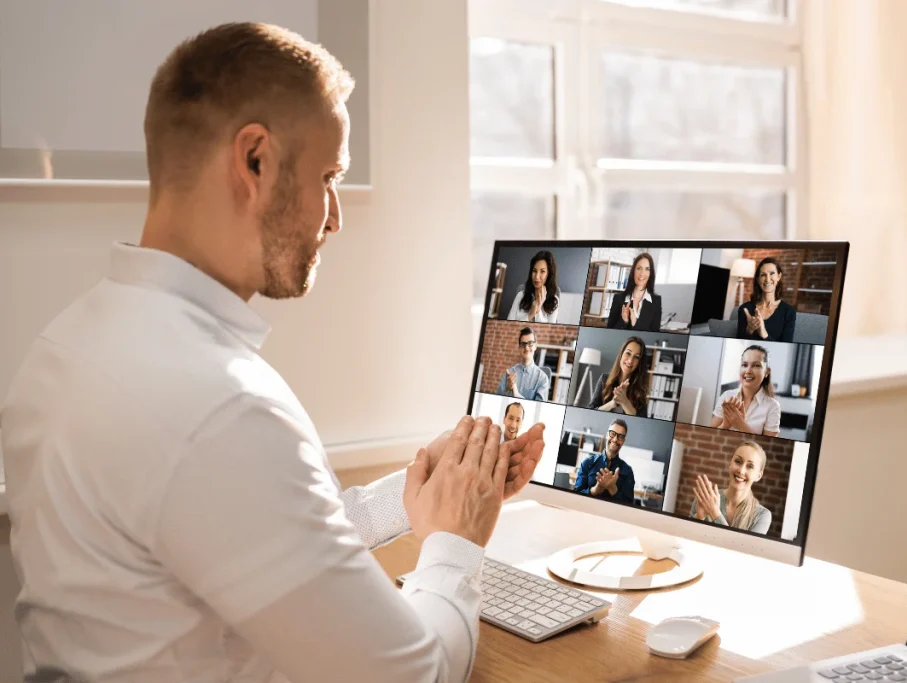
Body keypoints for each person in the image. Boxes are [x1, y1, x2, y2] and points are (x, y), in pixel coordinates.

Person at [0, 23, 547, 683]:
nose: (335, 216)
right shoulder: (217, 404)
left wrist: (416, 496)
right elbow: (418, 674)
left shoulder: (69, 343)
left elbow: (252, 523)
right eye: (328, 175)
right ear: (255, 159)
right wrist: (457, 538)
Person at [689, 442, 772, 535]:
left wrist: (715, 513)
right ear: (730, 464)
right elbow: (686, 539)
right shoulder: (706, 498)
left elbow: (742, 548)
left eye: (750, 466)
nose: (741, 470)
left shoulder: (762, 516)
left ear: (758, 476)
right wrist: (699, 517)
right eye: (738, 461)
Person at [710, 345, 781, 437]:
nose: (748, 370)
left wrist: (740, 424)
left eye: (756, 365)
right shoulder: (727, 396)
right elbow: (710, 434)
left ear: (767, 372)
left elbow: (767, 446)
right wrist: (725, 425)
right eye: (744, 365)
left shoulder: (773, 406)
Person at [572, 419, 635, 506]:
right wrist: (595, 490)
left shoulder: (628, 471)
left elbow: (629, 506)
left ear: (623, 441)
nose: (615, 439)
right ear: (607, 435)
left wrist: (613, 489)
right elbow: (575, 496)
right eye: (613, 434)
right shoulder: (587, 463)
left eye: (620, 437)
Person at [737, 257, 796, 342]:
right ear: (757, 279)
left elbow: (785, 349)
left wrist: (764, 334)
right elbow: (737, 344)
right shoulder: (745, 309)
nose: (767, 279)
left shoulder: (789, 312)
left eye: (772, 273)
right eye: (763, 275)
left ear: (779, 276)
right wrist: (749, 330)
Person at [587, 336, 650, 417]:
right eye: (628, 353)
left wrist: (625, 402)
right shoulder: (604, 379)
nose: (630, 361)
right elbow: (589, 411)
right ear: (621, 354)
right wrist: (611, 404)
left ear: (639, 363)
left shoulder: (641, 390)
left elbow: (642, 422)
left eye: (636, 357)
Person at [607, 252, 662, 332]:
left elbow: (655, 333)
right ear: (633, 271)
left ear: (650, 273)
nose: (642, 273)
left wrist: (635, 323)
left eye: (647, 269)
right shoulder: (618, 298)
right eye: (639, 268)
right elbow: (609, 331)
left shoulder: (656, 301)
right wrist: (623, 321)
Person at [497, 326, 550, 402]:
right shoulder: (509, 373)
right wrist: (507, 389)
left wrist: (515, 392)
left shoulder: (543, 379)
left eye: (530, 343)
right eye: (523, 344)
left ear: (535, 346)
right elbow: (498, 399)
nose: (526, 348)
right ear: (519, 347)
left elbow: (537, 407)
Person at [506, 250, 560, 323]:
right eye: (534, 271)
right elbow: (509, 324)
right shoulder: (520, 295)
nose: (537, 277)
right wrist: (530, 314)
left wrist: (538, 310)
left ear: (549, 274)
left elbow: (547, 331)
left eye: (542, 271)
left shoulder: (554, 301)